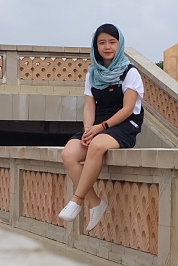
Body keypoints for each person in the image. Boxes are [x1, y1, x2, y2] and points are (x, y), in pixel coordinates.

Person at [59, 23, 143, 230]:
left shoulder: (130, 72)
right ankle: (96, 203)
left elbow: (128, 109)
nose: (107, 47)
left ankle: (77, 200)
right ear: (95, 46)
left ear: (119, 44)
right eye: (102, 42)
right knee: (69, 154)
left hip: (125, 124)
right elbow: (89, 106)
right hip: (98, 125)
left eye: (112, 42)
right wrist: (88, 128)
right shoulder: (93, 74)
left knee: (96, 146)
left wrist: (101, 127)